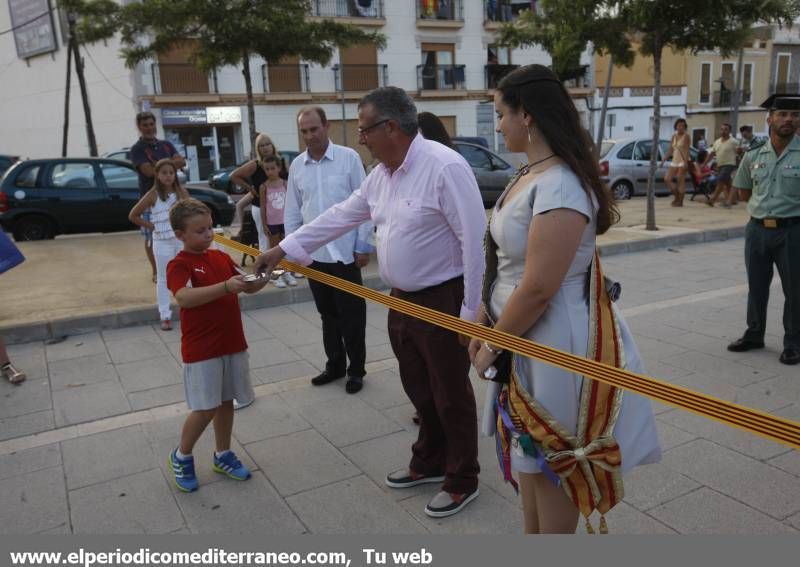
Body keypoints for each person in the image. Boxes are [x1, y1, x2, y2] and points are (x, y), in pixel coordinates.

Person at [254, 87, 487, 518]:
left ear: (391, 127)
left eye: (364, 130)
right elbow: (339, 215)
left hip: (442, 299)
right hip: (401, 300)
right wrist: (282, 248)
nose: (361, 139)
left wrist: (469, 317)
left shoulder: (444, 167)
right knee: (418, 385)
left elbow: (475, 245)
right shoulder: (381, 175)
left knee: (450, 392)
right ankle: (430, 460)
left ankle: (462, 477)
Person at [472, 64, 661, 534]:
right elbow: (505, 266)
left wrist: (492, 344)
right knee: (529, 468)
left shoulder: (559, 185)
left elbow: (538, 286)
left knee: (552, 465)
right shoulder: (532, 174)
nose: (497, 126)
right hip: (521, 336)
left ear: (528, 116)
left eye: (501, 114)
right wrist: (482, 321)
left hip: (553, 346)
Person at [165, 198, 268, 492]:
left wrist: (264, 276)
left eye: (210, 228)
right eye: (200, 231)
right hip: (202, 349)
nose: (208, 235)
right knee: (204, 407)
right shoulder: (179, 264)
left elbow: (246, 285)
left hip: (231, 342)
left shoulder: (220, 257)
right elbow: (182, 297)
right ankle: (182, 455)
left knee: (225, 402)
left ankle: (222, 453)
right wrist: (225, 287)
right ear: (180, 235)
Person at [285, 106, 373, 393]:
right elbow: (292, 213)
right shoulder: (297, 166)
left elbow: (365, 206)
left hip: (346, 254)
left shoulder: (348, 159)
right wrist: (294, 251)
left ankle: (356, 370)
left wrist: (362, 246)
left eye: (314, 129)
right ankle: (334, 365)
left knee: (352, 315)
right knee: (327, 315)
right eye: (304, 131)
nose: (309, 136)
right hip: (314, 257)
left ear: (327, 126)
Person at [727, 94, 800, 366]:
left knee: (795, 290)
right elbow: (745, 192)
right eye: (782, 114)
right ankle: (754, 334)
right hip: (757, 230)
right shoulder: (754, 154)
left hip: (792, 231)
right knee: (756, 287)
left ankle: (793, 342)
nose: (788, 119)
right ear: (769, 119)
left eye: (794, 115)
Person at [129, 159, 190, 331]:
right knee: (163, 279)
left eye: (171, 172)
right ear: (157, 175)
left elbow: (193, 211)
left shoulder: (181, 192)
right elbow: (133, 215)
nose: (168, 176)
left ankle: (191, 309)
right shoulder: (153, 194)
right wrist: (152, 226)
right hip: (161, 242)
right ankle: (165, 315)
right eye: (164, 173)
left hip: (180, 240)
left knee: (186, 275)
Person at [130, 111, 186, 283]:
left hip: (172, 195)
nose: (149, 128)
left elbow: (182, 161)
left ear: (155, 124)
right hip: (151, 198)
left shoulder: (166, 144)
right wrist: (169, 164)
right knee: (151, 238)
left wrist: (160, 165)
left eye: (151, 124)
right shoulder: (137, 149)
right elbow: (147, 171)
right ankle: (156, 271)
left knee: (177, 235)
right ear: (139, 127)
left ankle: (177, 268)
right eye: (145, 125)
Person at [231, 134, 292, 261]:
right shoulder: (255, 164)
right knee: (265, 239)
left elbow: (288, 181)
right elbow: (234, 176)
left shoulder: (281, 161)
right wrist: (250, 188)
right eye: (261, 145)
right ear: (257, 149)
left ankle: (286, 270)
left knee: (285, 239)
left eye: (267, 144)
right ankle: (267, 270)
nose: (265, 148)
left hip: (280, 207)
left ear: (272, 145)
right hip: (260, 206)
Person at [704, 123, 740, 207]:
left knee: (720, 180)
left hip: (729, 164)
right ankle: (733, 200)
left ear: (729, 131)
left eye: (726, 129)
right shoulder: (717, 142)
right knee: (727, 183)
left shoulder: (734, 141)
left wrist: (739, 151)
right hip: (720, 165)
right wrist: (704, 163)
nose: (723, 131)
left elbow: (739, 151)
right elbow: (712, 154)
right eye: (722, 129)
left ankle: (713, 199)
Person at [660, 118, 691, 207]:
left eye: (682, 126)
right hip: (674, 160)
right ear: (676, 126)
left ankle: (680, 201)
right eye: (678, 125)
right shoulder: (673, 136)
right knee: (667, 179)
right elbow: (670, 150)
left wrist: (686, 162)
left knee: (680, 179)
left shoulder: (686, 136)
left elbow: (687, 150)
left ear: (685, 127)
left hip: (683, 160)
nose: (680, 127)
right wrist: (663, 160)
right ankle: (677, 196)